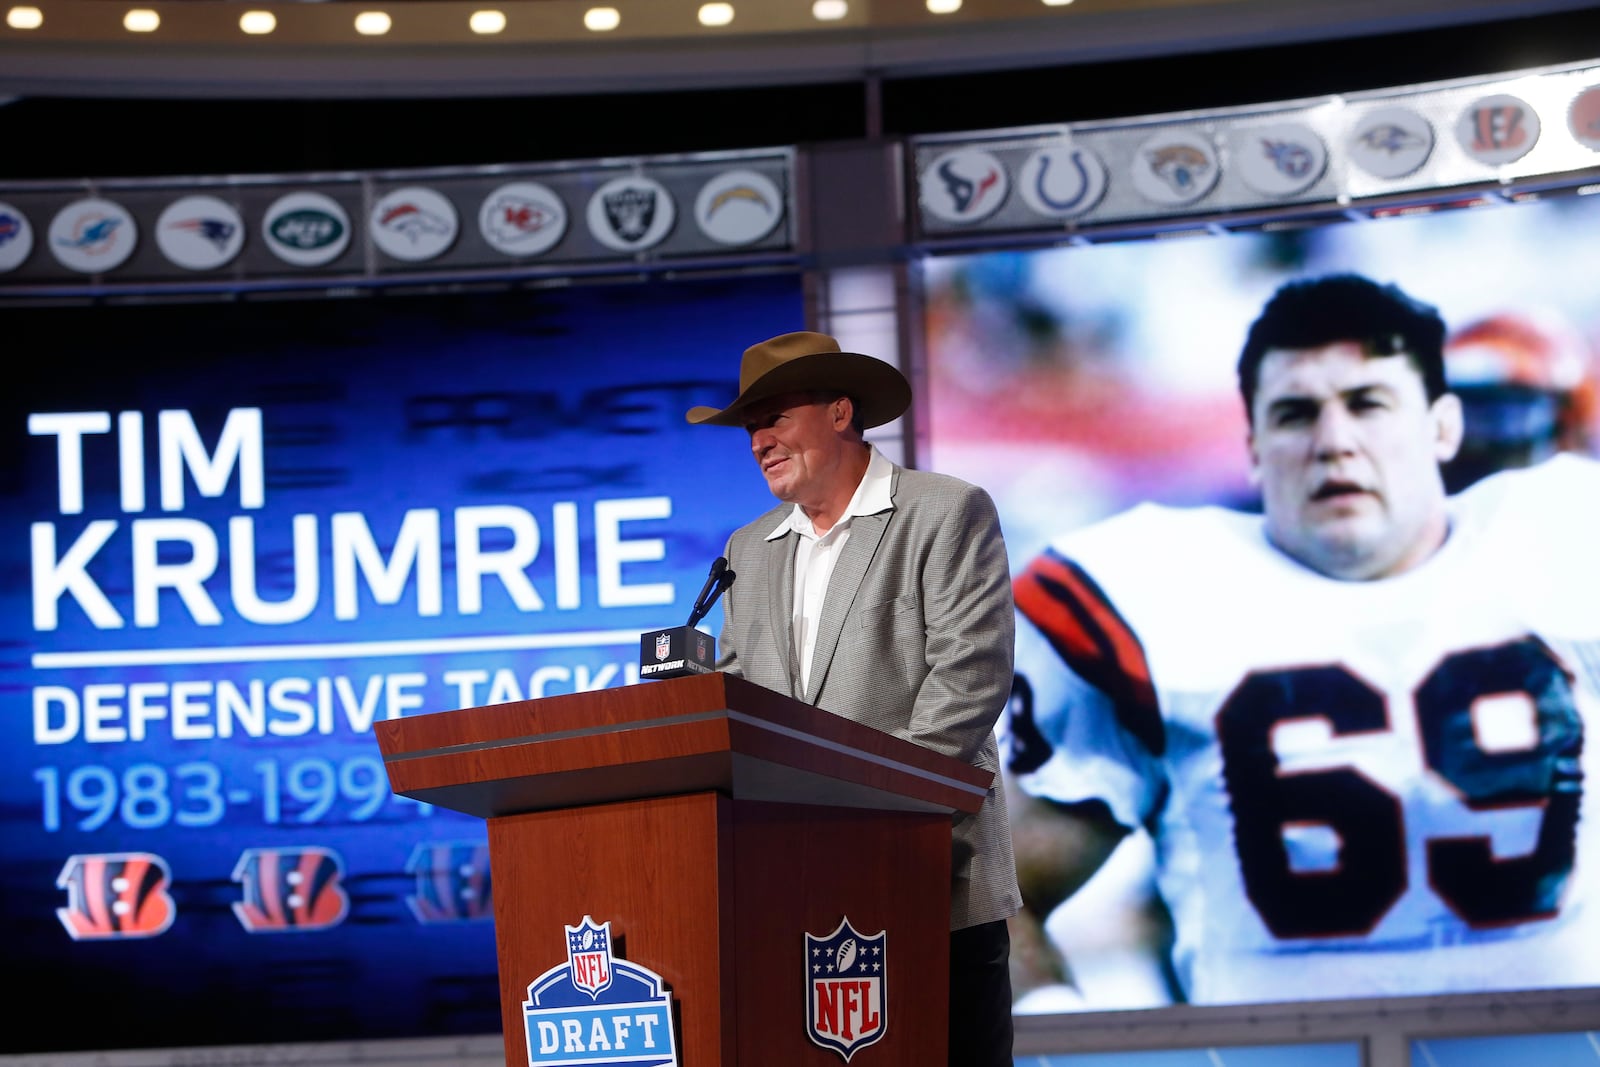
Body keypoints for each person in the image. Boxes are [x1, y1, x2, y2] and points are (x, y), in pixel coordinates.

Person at [1003, 273, 1600, 1008]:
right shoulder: (1161, 596)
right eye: (1295, 414)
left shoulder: (1571, 544)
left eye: (1368, 405)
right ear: (1253, 445)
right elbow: (979, 893)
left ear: (1442, 426)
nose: (1334, 442)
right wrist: (1067, 1046)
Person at [687, 329, 1022, 1065]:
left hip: (932, 878)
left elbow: (969, 677)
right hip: (795, 892)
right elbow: (744, 701)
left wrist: (870, 820)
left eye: (773, 417)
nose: (758, 442)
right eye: (750, 428)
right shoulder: (749, 548)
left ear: (841, 411)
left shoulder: (945, 511)